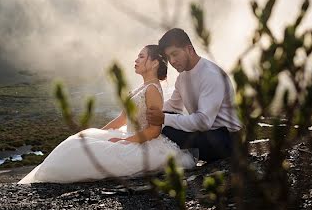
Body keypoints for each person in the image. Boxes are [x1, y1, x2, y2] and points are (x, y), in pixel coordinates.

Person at [18, 45, 194, 184]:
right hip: (128, 134)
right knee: (80, 140)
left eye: (141, 56)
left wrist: (125, 142)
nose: (136, 60)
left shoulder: (153, 90)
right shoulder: (140, 87)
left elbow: (154, 130)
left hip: (143, 142)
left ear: (155, 63)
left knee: (86, 155)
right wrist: (96, 134)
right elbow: (121, 119)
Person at [146, 28, 241, 162]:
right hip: (207, 134)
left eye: (175, 54)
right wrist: (146, 111)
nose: (172, 61)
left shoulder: (210, 75)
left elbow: (203, 122)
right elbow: (172, 106)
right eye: (168, 57)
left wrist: (163, 118)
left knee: (166, 129)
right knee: (161, 124)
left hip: (227, 139)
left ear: (189, 49)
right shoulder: (182, 78)